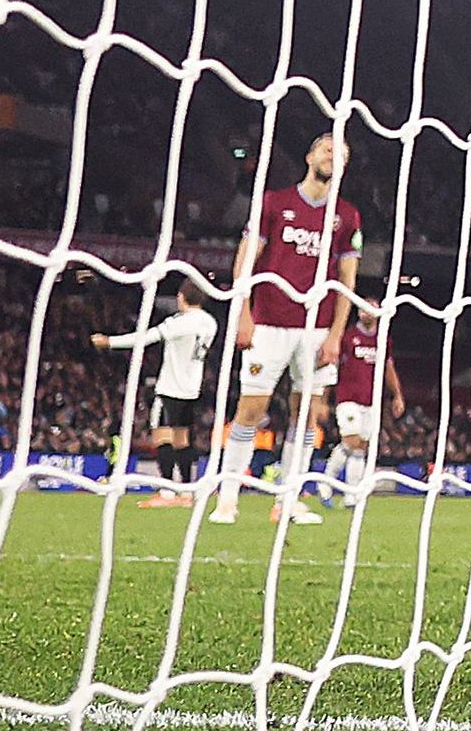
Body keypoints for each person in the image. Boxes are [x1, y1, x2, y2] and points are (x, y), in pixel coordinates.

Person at [213, 130, 360, 527]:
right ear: (311, 155)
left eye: (341, 155)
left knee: (308, 414)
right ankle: (228, 498)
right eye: (329, 150)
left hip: (317, 330)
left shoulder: (347, 216)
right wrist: (243, 312)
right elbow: (246, 259)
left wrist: (336, 334)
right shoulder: (274, 203)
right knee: (251, 409)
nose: (334, 158)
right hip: (271, 323)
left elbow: (348, 281)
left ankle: (289, 500)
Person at [95, 270, 219, 504]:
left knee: (162, 438)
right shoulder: (209, 323)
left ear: (182, 296)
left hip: (170, 388)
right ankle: (185, 491)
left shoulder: (179, 323)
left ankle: (166, 492)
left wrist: (110, 341)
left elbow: (146, 337)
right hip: (192, 390)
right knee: (183, 440)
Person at [319, 298, 384, 509]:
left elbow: (388, 367)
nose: (367, 314)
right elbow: (331, 367)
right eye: (363, 310)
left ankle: (351, 495)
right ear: (358, 313)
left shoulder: (383, 340)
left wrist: (397, 395)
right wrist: (323, 399)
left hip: (370, 401)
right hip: (347, 398)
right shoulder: (348, 337)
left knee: (360, 447)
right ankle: (327, 481)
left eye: (371, 311)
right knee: (351, 440)